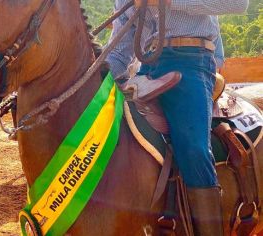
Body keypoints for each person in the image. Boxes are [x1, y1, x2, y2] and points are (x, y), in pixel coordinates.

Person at [106, 1, 248, 235]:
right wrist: (91, 80)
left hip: (190, 61)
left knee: (194, 148)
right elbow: (120, 52)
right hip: (146, 70)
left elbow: (238, 4)